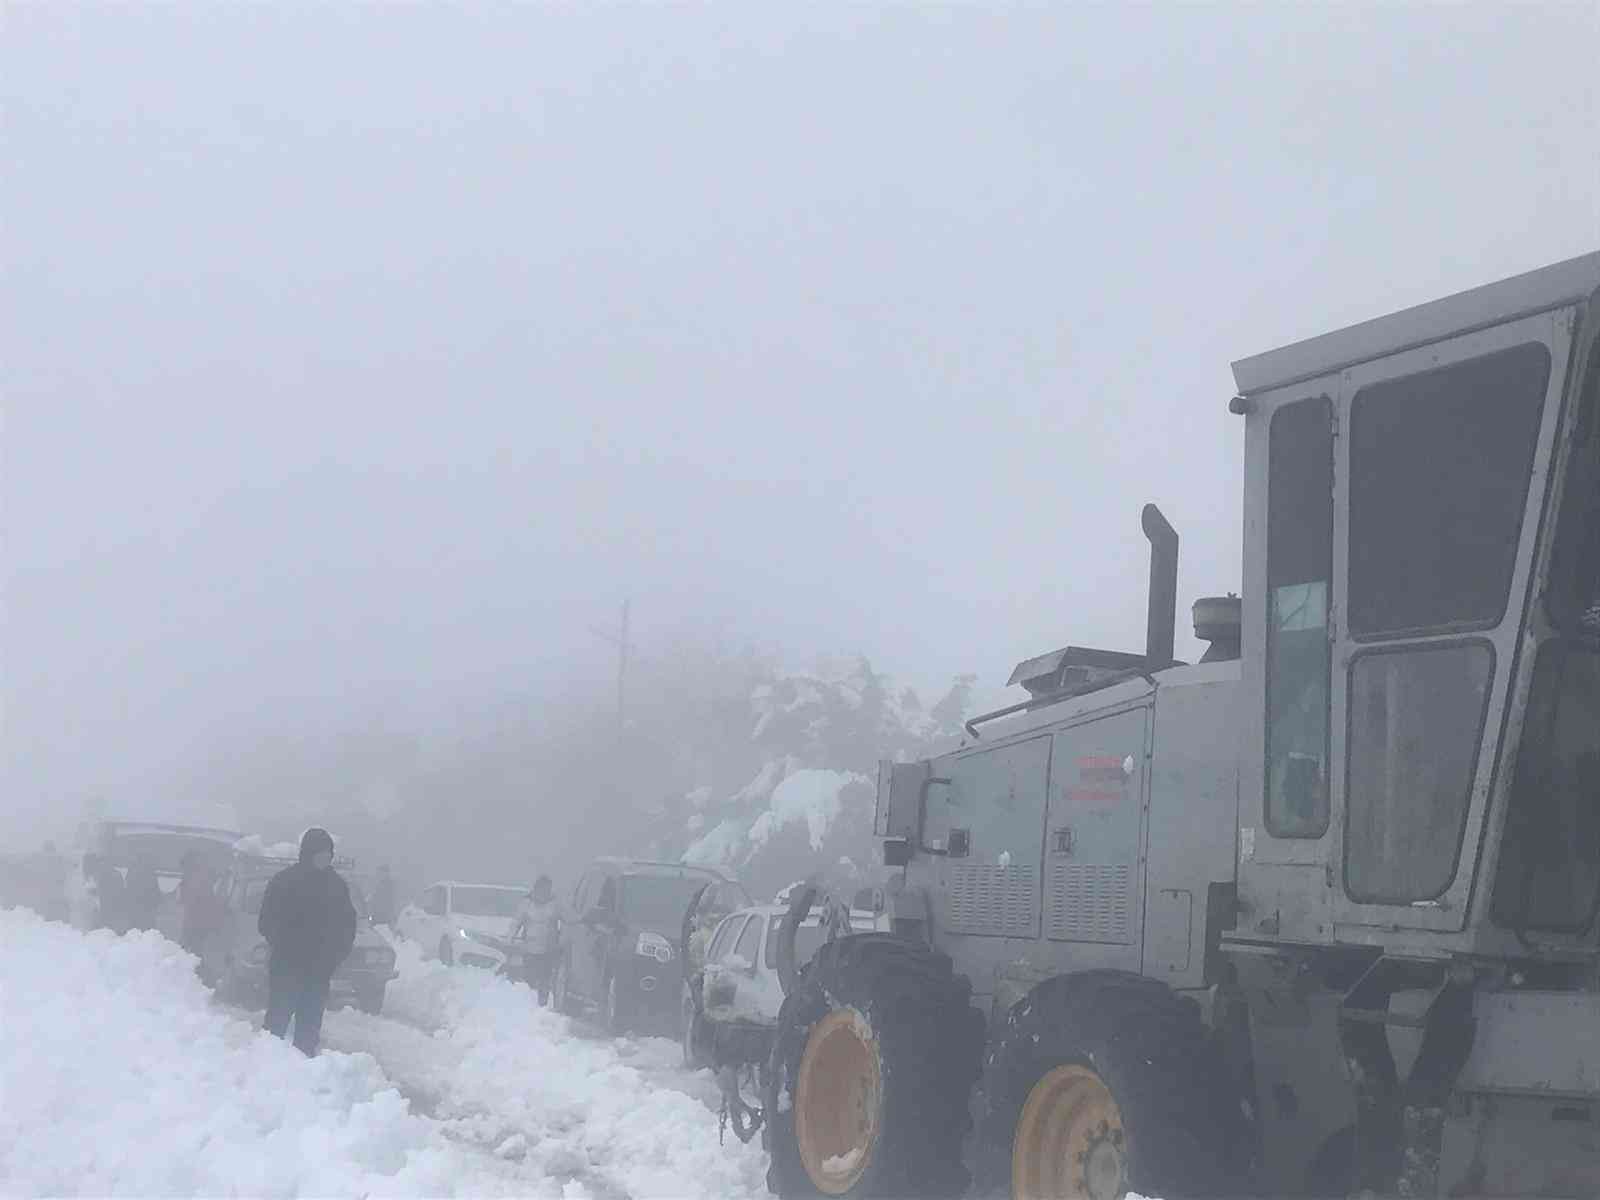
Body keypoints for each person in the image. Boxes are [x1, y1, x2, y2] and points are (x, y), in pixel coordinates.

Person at [257, 828, 357, 1056]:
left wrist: (335, 956)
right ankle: (265, 1070)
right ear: (307, 852)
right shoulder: (284, 881)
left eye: (328, 853)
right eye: (320, 853)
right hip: (286, 967)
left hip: (319, 972)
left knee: (309, 1029)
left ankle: (304, 1075)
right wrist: (285, 944)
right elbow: (266, 921)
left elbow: (347, 926)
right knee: (276, 1024)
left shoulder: (336, 886)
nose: (325, 858)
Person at [512, 875, 564, 1006]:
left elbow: (567, 919)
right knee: (530, 979)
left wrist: (583, 920)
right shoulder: (526, 903)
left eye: (547, 889)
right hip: (530, 949)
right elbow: (516, 922)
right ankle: (528, 1004)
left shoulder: (555, 904)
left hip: (548, 949)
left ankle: (542, 1005)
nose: (544, 892)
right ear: (536, 888)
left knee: (545, 980)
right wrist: (509, 938)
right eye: (542, 888)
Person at [83, 852, 127, 934]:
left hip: (104, 903)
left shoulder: (99, 873)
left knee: (104, 925)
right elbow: (122, 889)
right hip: (115, 903)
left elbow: (95, 889)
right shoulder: (116, 873)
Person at [124, 857, 162, 932]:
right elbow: (155, 890)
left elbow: (128, 888)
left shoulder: (132, 871)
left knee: (135, 931)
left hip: (136, 907)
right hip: (147, 907)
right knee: (147, 931)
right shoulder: (150, 872)